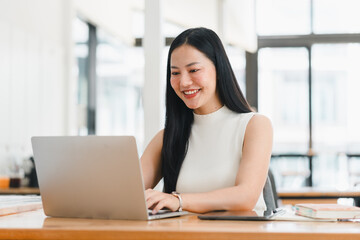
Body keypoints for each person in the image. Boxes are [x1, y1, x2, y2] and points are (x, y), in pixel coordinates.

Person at [141, 27, 273, 214]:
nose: (184, 82)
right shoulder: (167, 137)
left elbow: (246, 197)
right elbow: (127, 193)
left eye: (193, 70)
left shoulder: (254, 125)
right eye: (175, 73)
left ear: (218, 69)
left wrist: (178, 200)